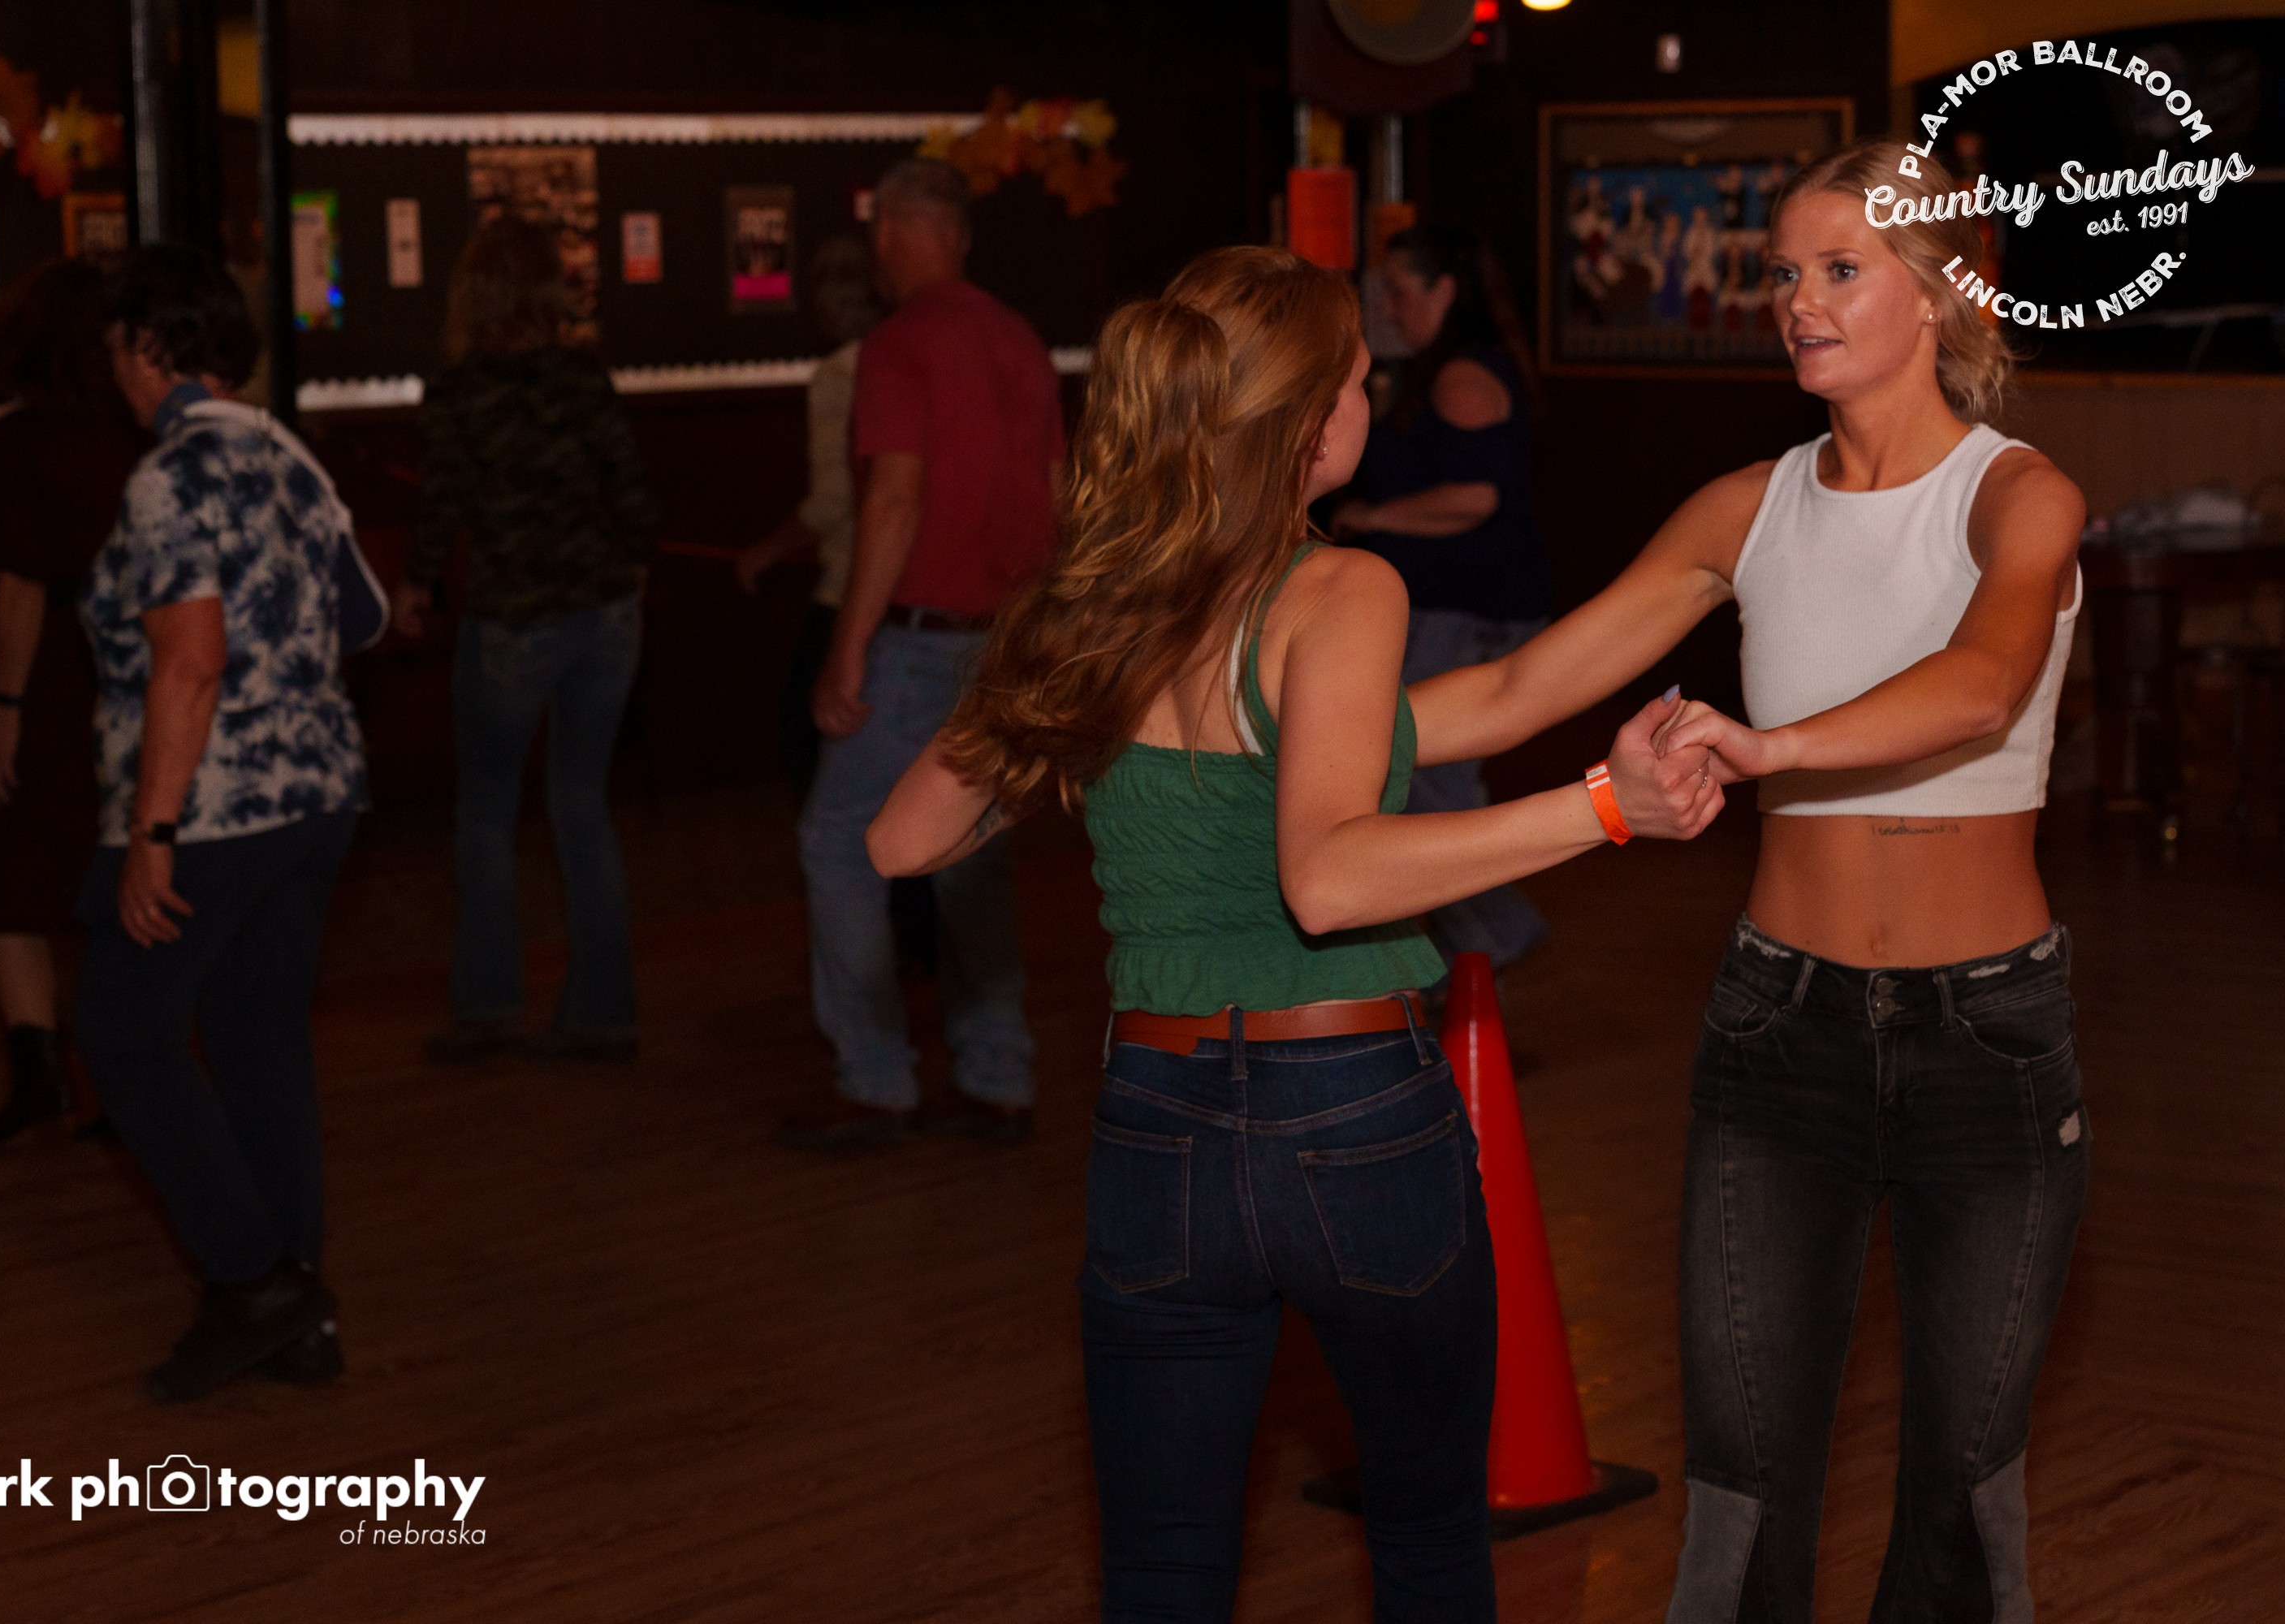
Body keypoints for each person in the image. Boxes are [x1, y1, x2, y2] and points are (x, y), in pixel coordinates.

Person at [865, 245, 1724, 1621]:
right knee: (1430, 1550)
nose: (1374, 400)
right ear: (1315, 419)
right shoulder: (1342, 590)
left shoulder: (1101, 607)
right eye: (1363, 381)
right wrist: (1608, 809)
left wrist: (1705, 563)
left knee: (1163, 1574)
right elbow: (1327, 879)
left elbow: (902, 839)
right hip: (1353, 1116)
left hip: (1157, 1130)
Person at [1412, 138, 2088, 1621]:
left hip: (1987, 1038)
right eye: (1784, 272)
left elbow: (1983, 682)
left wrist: (1770, 744)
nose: (1798, 301)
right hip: (1780, 1030)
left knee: (1964, 1489)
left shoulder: (2019, 497)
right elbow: (1522, 685)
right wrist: (1285, 729)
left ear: (1940, 293)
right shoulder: (1748, 507)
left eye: (1841, 269)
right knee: (1741, 1489)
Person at [74, 244, 374, 1400]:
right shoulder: (287, 453)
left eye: (117, 348)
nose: (113, 371)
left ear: (150, 350)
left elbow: (190, 661)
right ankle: (299, 1316)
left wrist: (151, 834)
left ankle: (254, 1282)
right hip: (319, 795)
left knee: (124, 1034)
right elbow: (362, 614)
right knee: (259, 1040)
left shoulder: (170, 478)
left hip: (212, 808)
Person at [778, 158, 1063, 1151]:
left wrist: (847, 646)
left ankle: (876, 1076)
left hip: (919, 641)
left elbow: (894, 500)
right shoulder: (1020, 340)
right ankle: (998, 1072)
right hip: (1006, 639)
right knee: (969, 857)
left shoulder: (898, 345)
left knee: (839, 842)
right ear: (962, 237)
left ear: (891, 235)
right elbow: (1060, 494)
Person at [394, 215, 659, 1065]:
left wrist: (415, 585)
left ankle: (489, 1008)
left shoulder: (458, 390)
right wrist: (634, 565)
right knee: (583, 806)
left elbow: (441, 504)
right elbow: (633, 490)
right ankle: (603, 1013)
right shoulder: (584, 377)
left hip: (510, 619)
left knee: (486, 812)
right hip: (606, 613)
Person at [0, 258, 146, 1142]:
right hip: (132, 667)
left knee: (7, 871)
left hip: (55, 677)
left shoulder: (21, 444)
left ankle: (42, 1074)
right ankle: (125, 1080)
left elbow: (21, 585)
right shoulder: (141, 436)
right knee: (114, 867)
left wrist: (2, 712)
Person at [1333, 225, 1554, 978]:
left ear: (1444, 291)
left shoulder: (1461, 375)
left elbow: (1476, 497)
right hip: (1460, 607)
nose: (1388, 307)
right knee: (1419, 777)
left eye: (1399, 290)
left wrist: (1373, 516)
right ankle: (1472, 955)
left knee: (1417, 776)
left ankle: (1493, 934)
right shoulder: (1445, 368)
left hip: (1474, 610)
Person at [736, 235, 884, 797]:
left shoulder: (839, 376)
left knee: (808, 740)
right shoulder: (906, 361)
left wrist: (768, 550)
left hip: (851, 583)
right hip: (911, 590)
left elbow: (832, 500)